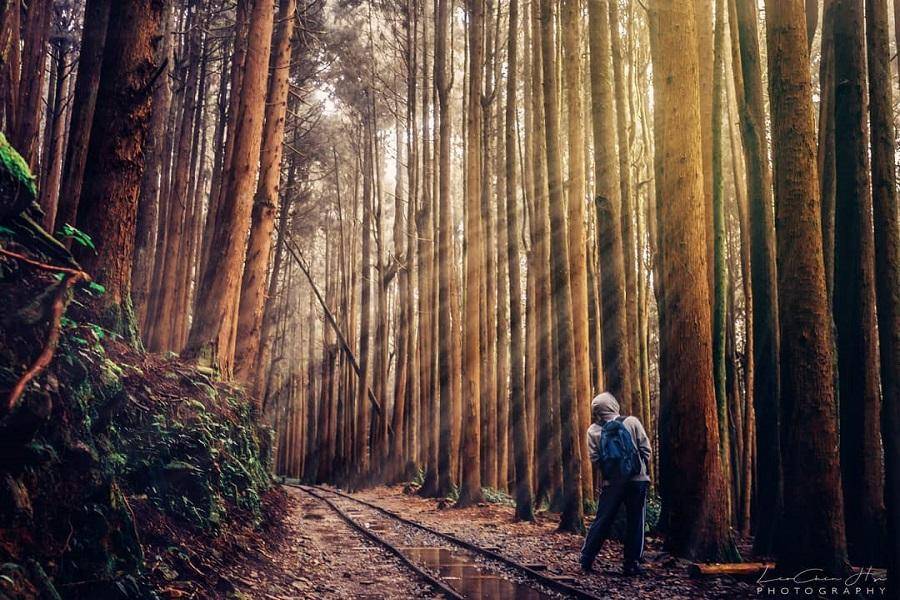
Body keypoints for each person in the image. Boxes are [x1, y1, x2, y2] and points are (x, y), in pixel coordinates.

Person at [580, 392, 652, 576]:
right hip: (637, 481)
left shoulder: (593, 430)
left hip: (612, 484)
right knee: (636, 522)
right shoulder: (631, 422)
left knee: (603, 520)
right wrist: (639, 468)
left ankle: (587, 557)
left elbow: (595, 458)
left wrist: (610, 473)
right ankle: (631, 563)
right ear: (613, 404)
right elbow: (646, 449)